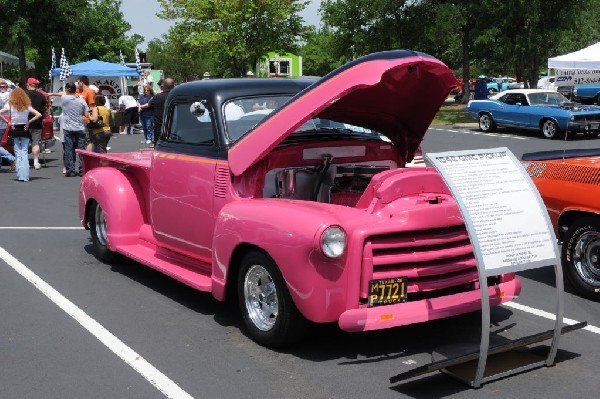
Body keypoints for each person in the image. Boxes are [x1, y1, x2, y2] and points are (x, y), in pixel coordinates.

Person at [0, 88, 42, 182]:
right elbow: (38, 114)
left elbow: (0, 113)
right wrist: (29, 122)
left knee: (18, 153)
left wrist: (8, 122)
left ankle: (20, 175)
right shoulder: (27, 105)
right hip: (24, 128)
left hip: (14, 129)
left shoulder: (10, 105)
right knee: (24, 153)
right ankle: (25, 176)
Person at [60, 82, 89, 177]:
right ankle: (82, 170)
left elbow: (63, 94)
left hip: (68, 128)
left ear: (68, 89)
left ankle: (70, 170)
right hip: (80, 127)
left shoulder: (64, 99)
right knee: (81, 150)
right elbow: (87, 114)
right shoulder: (81, 100)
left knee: (68, 149)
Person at [25, 77, 48, 170]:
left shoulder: (24, 94)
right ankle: (36, 162)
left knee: (24, 142)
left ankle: (24, 161)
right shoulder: (42, 96)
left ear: (28, 85)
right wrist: (42, 118)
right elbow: (45, 111)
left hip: (25, 121)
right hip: (37, 121)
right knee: (35, 142)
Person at [148, 77, 174, 145]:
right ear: (173, 86)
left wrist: (159, 92)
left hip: (160, 126)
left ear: (163, 86)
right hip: (174, 127)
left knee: (158, 147)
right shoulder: (176, 96)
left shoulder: (157, 97)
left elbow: (149, 104)